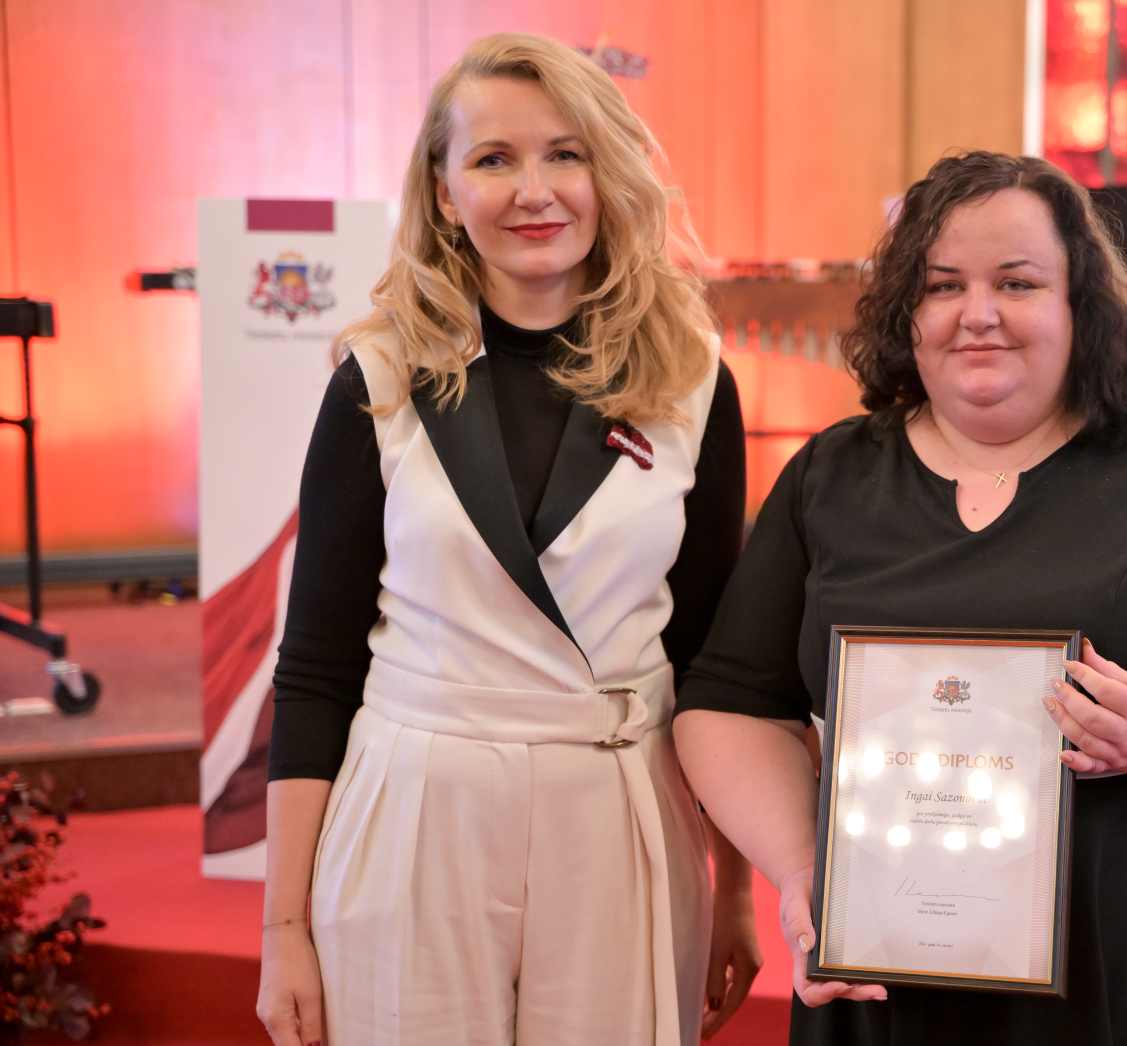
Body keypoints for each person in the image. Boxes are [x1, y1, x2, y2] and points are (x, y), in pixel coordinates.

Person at [673, 152, 1127, 1045]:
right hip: (885, 969)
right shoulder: (831, 477)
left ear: (1079, 305)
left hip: (1124, 960)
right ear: (906, 313)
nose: (978, 314)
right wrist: (809, 870)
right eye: (942, 285)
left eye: (1017, 282)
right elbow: (729, 704)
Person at [256, 33, 761, 1046]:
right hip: (416, 804)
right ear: (444, 193)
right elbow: (315, 669)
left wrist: (735, 890)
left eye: (565, 154)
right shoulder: (378, 379)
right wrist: (282, 928)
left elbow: (717, 666)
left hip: (617, 803)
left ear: (607, 175)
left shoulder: (693, 379)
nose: (535, 191)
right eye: (493, 159)